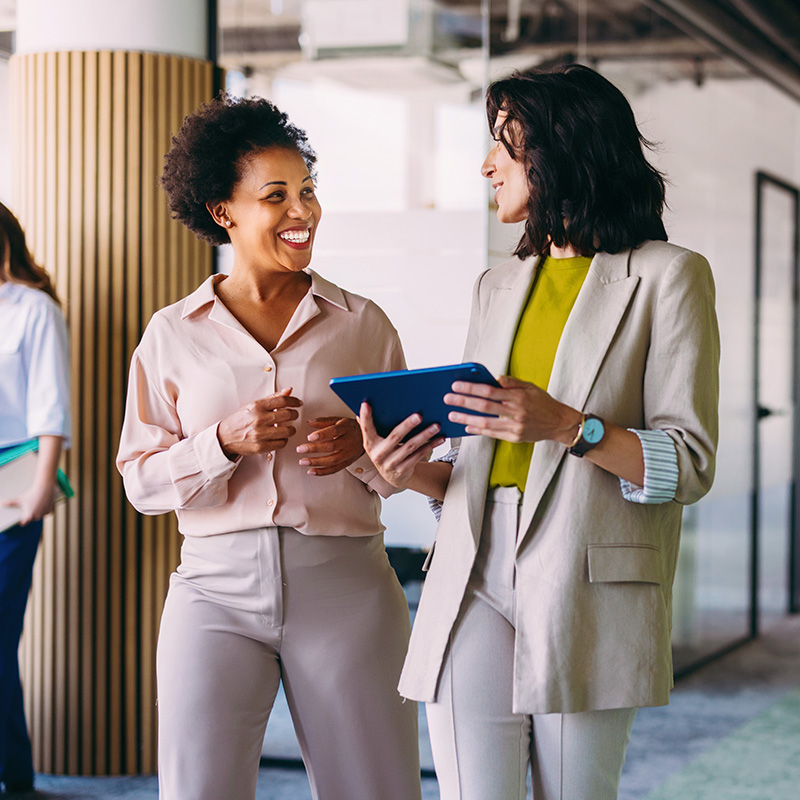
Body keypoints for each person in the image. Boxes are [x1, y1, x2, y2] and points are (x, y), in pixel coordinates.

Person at [359, 63, 720, 800]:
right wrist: (408, 470)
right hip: (471, 568)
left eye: (505, 143)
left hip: (587, 581)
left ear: (561, 152)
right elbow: (476, 460)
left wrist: (571, 426)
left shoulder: (670, 277)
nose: (487, 164)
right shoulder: (495, 286)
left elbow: (688, 465)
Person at [116, 94, 421, 800]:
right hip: (212, 591)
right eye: (276, 196)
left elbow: (411, 465)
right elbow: (140, 482)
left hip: (347, 588)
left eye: (308, 193)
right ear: (224, 212)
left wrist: (361, 448)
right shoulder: (172, 332)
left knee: (376, 790)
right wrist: (221, 442)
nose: (302, 213)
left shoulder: (363, 324)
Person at [0, 202, 71, 795]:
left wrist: (40, 489)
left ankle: (14, 780)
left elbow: (51, 408)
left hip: (11, 497)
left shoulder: (34, 310)